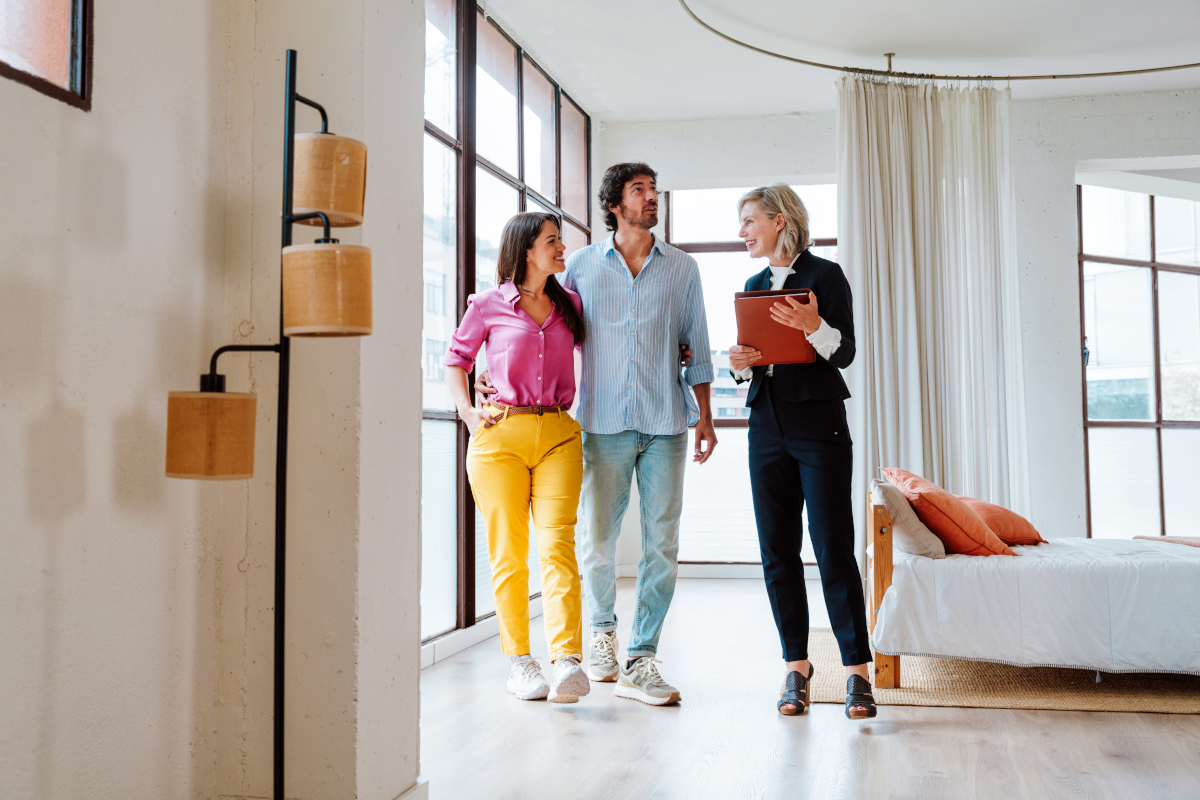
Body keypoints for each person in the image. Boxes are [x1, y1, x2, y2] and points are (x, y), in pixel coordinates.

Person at [478, 162, 716, 706]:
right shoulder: (580, 267)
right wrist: (490, 371)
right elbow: (539, 323)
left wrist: (704, 416)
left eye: (654, 190)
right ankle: (602, 636)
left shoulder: (683, 269)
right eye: (640, 190)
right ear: (615, 204)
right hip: (601, 424)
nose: (652, 198)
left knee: (663, 543)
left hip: (666, 423)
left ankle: (642, 657)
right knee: (598, 541)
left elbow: (698, 346)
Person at [727, 184, 876, 719]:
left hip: (819, 428)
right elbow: (755, 361)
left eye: (749, 221)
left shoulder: (826, 276)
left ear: (780, 220)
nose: (743, 232)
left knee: (834, 547)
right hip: (765, 427)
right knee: (777, 552)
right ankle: (796, 666)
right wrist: (739, 363)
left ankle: (857, 672)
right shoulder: (753, 286)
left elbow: (846, 353)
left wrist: (814, 326)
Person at [443, 212, 590, 704]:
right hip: (500, 437)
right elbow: (457, 360)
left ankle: (566, 659)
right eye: (553, 240)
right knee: (509, 551)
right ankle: (521, 662)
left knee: (558, 546)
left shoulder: (570, 305)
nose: (562, 247)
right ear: (527, 249)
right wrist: (467, 411)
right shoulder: (487, 305)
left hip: (559, 436)